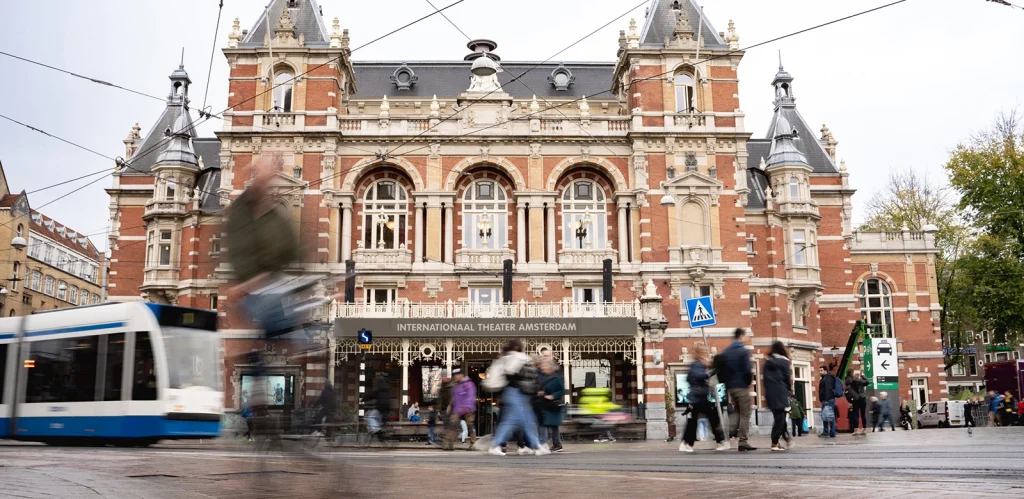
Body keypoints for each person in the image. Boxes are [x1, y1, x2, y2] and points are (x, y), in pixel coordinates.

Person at [483, 340, 549, 456]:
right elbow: (512, 373)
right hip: (516, 392)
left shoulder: (508, 358)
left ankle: (536, 445)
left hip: (515, 392)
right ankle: (496, 444)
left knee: (526, 419)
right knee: (515, 420)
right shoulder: (515, 358)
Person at [679, 342, 729, 453]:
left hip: (698, 396)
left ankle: (687, 443)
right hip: (699, 397)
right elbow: (698, 375)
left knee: (695, 421)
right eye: (703, 350)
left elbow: (689, 378)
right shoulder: (697, 364)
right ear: (700, 352)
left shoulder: (698, 363)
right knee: (711, 418)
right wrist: (709, 373)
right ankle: (720, 441)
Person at [719, 328, 756, 451]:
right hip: (741, 386)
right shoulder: (742, 351)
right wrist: (748, 382)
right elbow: (747, 369)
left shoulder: (727, 351)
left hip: (730, 387)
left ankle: (727, 429)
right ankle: (743, 441)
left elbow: (722, 369)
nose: (747, 338)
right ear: (741, 336)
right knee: (745, 414)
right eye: (746, 336)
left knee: (736, 412)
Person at [763, 341, 793, 451]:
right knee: (780, 419)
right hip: (781, 392)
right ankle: (775, 442)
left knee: (779, 417)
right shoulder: (784, 362)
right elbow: (786, 378)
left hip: (770, 393)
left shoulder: (767, 362)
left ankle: (785, 437)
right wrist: (789, 390)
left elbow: (765, 379)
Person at [535, 356, 566, 452]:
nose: (543, 367)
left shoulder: (558, 377)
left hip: (553, 404)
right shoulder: (543, 377)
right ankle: (552, 443)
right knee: (548, 424)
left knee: (552, 425)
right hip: (545, 403)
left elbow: (563, 390)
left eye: (545, 366)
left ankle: (555, 444)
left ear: (550, 367)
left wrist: (553, 395)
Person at [445, 369, 477, 450]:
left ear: (461, 375)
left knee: (470, 426)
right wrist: (450, 405)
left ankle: (473, 444)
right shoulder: (456, 386)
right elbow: (455, 398)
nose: (455, 377)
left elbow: (470, 396)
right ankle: (449, 444)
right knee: (452, 424)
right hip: (458, 409)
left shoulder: (469, 384)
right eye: (454, 375)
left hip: (468, 408)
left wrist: (466, 407)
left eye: (457, 375)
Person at [817, 366, 839, 438]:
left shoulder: (827, 378)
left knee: (827, 415)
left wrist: (826, 400)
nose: (820, 372)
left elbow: (828, 389)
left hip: (827, 400)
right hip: (828, 399)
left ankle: (828, 431)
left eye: (821, 370)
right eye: (819, 370)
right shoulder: (826, 378)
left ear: (825, 371)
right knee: (828, 415)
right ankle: (831, 432)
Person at [846, 370, 869, 436]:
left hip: (855, 399)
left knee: (856, 414)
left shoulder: (852, 382)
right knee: (863, 415)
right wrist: (863, 376)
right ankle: (864, 429)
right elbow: (867, 381)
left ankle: (856, 430)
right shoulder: (861, 381)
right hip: (862, 399)